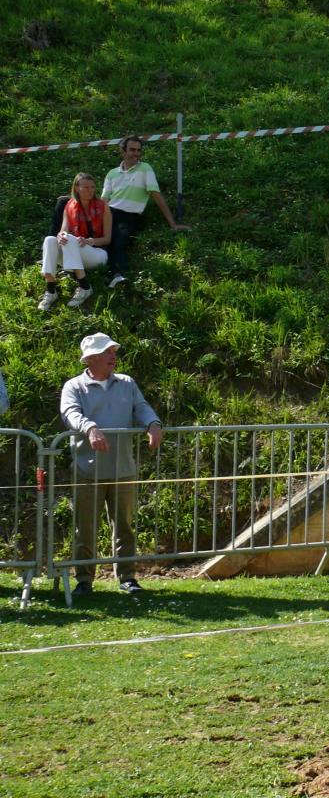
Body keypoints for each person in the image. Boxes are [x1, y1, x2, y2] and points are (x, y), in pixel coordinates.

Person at [59, 332, 164, 596]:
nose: (113, 356)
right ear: (91, 358)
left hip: (123, 469)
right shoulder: (74, 386)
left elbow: (141, 407)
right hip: (87, 471)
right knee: (86, 528)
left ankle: (127, 578)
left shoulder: (127, 383)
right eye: (107, 352)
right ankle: (84, 580)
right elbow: (70, 412)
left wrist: (153, 423)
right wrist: (90, 428)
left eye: (113, 351)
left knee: (125, 526)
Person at [101, 136, 190, 288]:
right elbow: (104, 201)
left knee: (117, 242)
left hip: (128, 215)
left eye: (138, 150)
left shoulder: (145, 168)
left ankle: (118, 276)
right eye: (132, 150)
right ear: (122, 151)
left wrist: (173, 224)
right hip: (108, 213)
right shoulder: (112, 173)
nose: (136, 153)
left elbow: (156, 195)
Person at [38, 173, 113, 312]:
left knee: (71, 239)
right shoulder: (69, 206)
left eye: (92, 187)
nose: (90, 190)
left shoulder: (103, 206)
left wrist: (89, 241)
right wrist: (61, 236)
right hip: (73, 253)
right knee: (50, 239)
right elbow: (62, 231)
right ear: (77, 188)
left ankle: (85, 287)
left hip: (98, 253)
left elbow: (107, 239)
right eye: (86, 187)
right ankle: (50, 290)